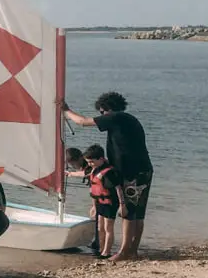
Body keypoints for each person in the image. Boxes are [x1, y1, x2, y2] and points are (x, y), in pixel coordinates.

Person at [64, 92, 154, 261]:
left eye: (101, 112)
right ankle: (132, 251)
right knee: (138, 213)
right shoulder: (128, 119)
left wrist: (65, 110)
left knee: (128, 213)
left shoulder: (115, 117)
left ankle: (125, 252)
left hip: (132, 173)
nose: (101, 116)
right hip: (144, 169)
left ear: (106, 109)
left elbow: (82, 122)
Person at [83, 144, 123, 259]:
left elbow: (118, 189)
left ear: (101, 159)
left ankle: (107, 252)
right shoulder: (95, 171)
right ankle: (100, 249)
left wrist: (122, 205)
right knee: (100, 228)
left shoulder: (109, 173)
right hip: (100, 203)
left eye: (91, 162)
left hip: (110, 204)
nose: (90, 164)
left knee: (108, 228)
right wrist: (94, 207)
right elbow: (94, 190)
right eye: (88, 162)